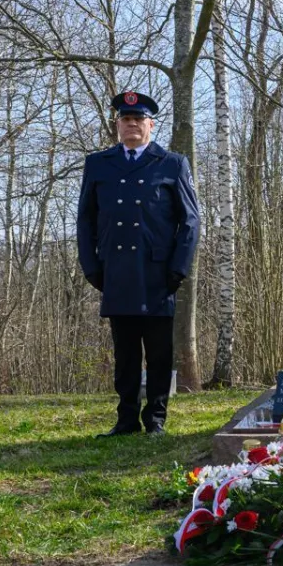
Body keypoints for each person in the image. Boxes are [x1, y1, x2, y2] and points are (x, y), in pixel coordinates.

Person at [77, 92, 200, 438]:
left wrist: (179, 267)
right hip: (116, 271)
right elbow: (85, 220)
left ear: (151, 124)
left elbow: (190, 221)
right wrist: (91, 267)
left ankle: (156, 418)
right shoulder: (99, 164)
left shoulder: (172, 163)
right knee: (125, 352)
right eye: (125, 119)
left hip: (158, 274)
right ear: (117, 125)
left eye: (138, 119)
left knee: (159, 352)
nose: (131, 124)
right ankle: (126, 418)